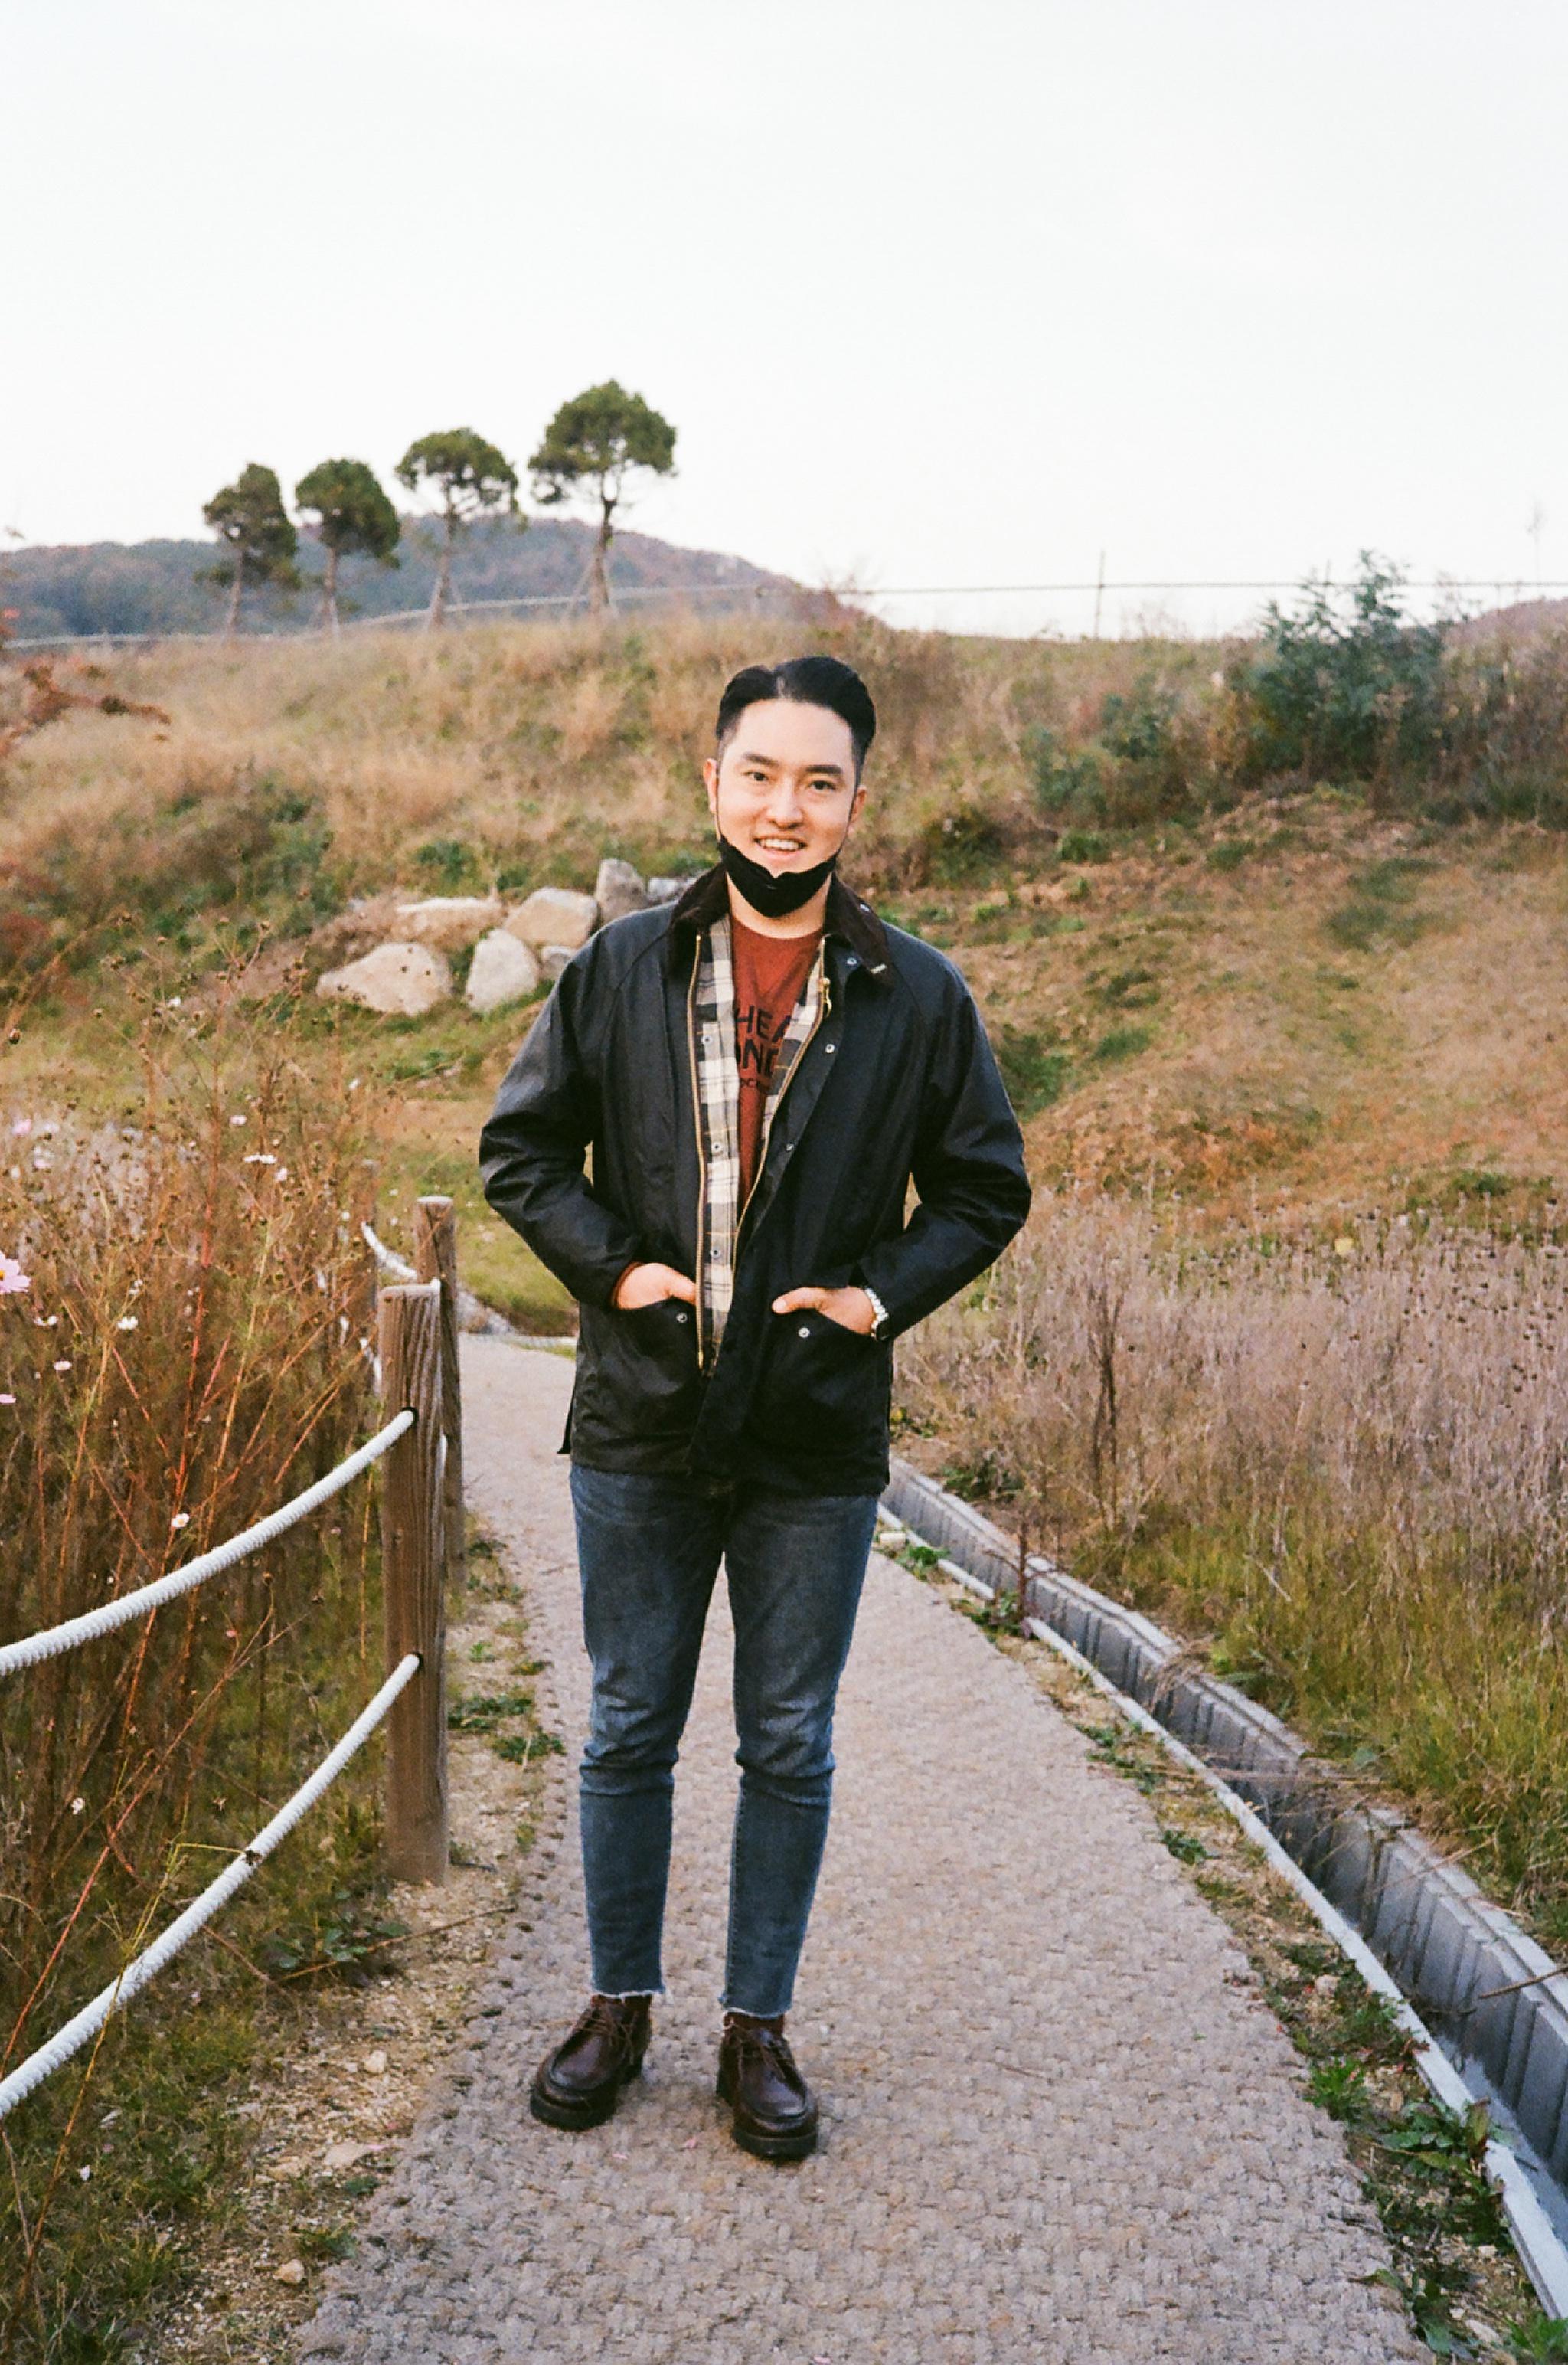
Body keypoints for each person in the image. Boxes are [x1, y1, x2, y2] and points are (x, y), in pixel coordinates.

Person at [479, 654, 1030, 2160]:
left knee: (787, 1737)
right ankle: (617, 2007)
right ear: (711, 781)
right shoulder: (619, 969)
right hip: (642, 1421)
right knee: (626, 1726)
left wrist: (873, 1299)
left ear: (858, 799)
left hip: (811, 1431)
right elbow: (522, 1151)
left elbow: (984, 1187)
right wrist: (618, 1274)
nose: (787, 808)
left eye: (820, 781)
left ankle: (757, 2029)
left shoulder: (916, 993)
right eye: (761, 773)